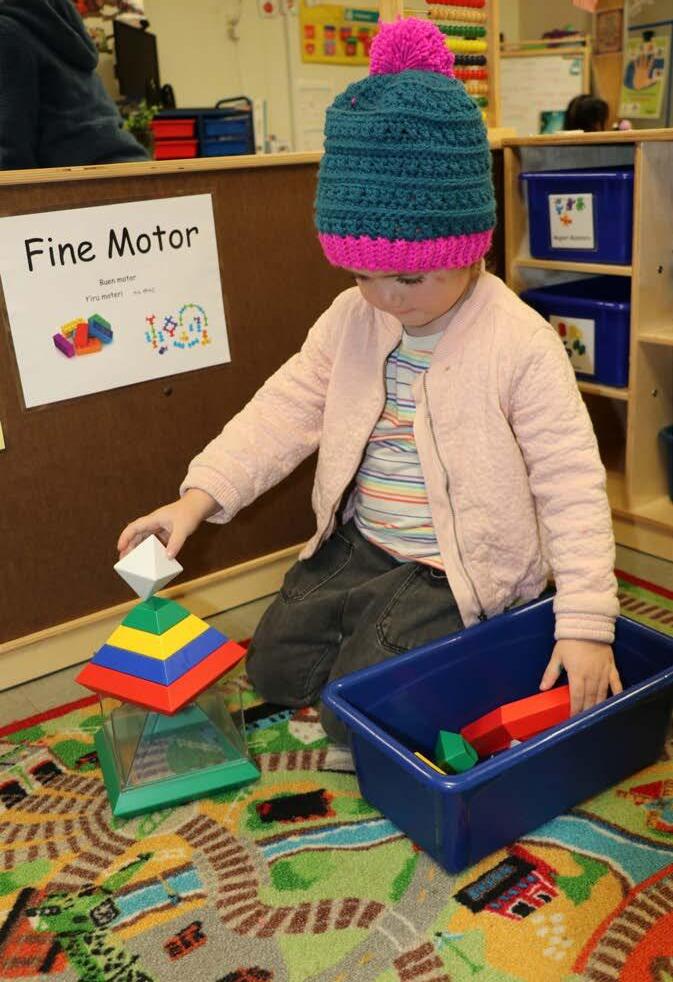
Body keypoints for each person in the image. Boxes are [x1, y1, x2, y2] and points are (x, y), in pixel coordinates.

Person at [118, 18, 622, 743]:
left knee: (353, 720)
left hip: (458, 569)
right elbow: (282, 411)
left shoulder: (518, 342)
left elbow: (570, 485)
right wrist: (195, 500)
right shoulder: (350, 319)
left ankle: (481, 639)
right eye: (361, 274)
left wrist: (584, 623)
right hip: (362, 544)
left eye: (409, 278)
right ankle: (386, 646)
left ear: (468, 247)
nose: (385, 298)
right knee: (272, 671)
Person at [0, 0, 148, 169]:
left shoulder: (7, 31)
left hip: (90, 177)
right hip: (130, 166)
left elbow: (10, 149)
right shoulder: (61, 29)